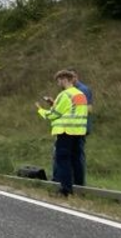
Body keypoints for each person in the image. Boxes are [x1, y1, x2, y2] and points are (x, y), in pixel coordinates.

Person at [36, 69, 88, 197]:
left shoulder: (65, 95)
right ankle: (79, 189)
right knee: (76, 160)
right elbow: (71, 110)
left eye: (58, 81)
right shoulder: (80, 94)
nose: (58, 83)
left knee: (63, 160)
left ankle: (65, 190)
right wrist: (54, 104)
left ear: (64, 79)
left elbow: (54, 114)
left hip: (65, 132)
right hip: (79, 132)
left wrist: (40, 110)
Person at [67, 67, 93, 186]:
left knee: (77, 155)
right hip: (72, 127)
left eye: (71, 77)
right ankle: (71, 181)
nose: (69, 80)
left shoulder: (82, 90)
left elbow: (88, 109)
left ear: (76, 77)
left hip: (80, 127)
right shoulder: (71, 90)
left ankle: (79, 184)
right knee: (71, 155)